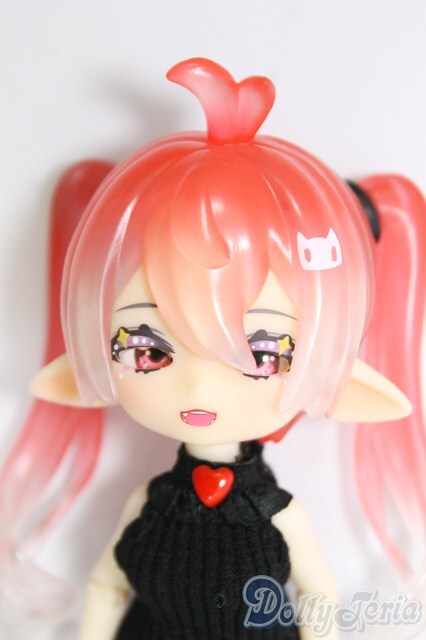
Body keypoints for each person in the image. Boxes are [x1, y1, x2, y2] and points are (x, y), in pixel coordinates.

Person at [1, 58, 425, 640]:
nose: (199, 386)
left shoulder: (279, 515)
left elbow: (319, 594)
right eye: (148, 350)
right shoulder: (149, 504)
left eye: (261, 355)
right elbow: (107, 586)